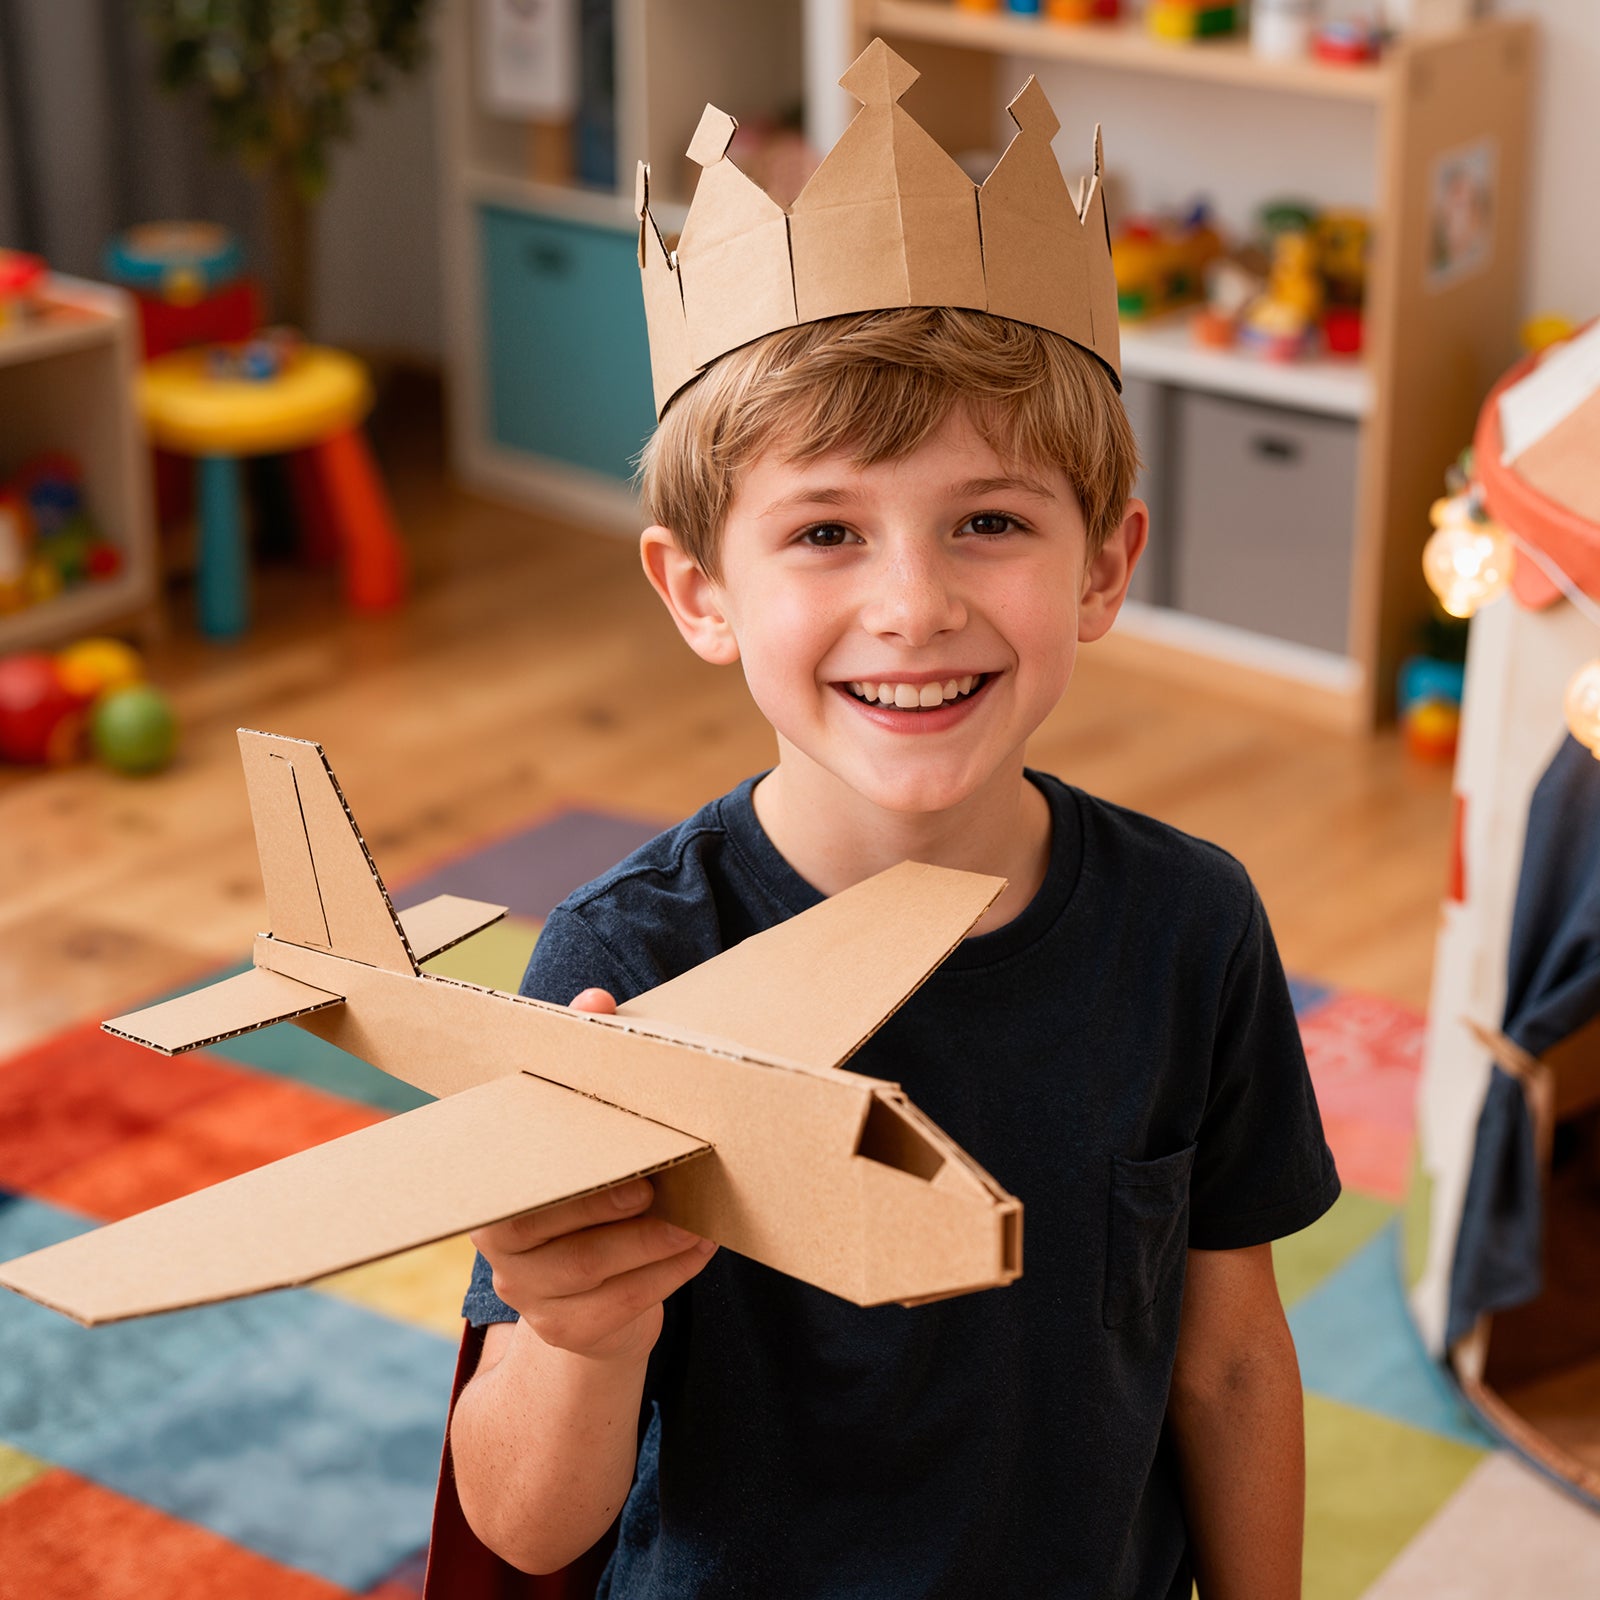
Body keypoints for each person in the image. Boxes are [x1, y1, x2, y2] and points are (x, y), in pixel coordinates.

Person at [436, 48, 1337, 1600]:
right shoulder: (626, 964)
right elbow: (522, 1525)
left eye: (990, 520)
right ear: (699, 590)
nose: (912, 606)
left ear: (1104, 566)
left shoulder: (1194, 926)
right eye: (826, 532)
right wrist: (588, 1330)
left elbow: (1234, 1364)